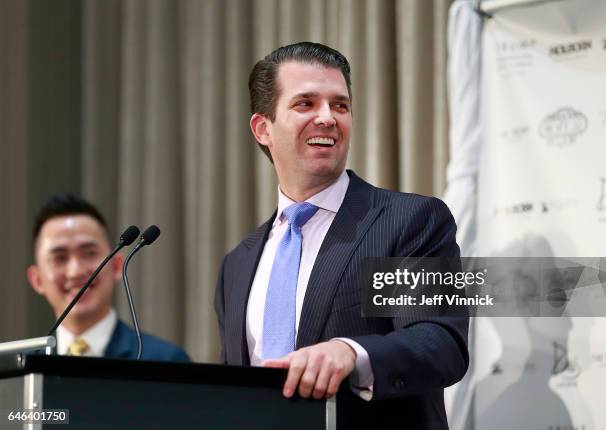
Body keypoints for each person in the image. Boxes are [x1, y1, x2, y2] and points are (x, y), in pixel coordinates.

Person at [214, 42, 468, 428]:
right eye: (306, 104)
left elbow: (440, 342)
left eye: (340, 105)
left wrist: (351, 352)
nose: (328, 118)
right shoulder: (237, 264)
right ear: (263, 128)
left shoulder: (409, 221)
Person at [27, 194, 190, 362]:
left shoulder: (165, 361)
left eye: (89, 253)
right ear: (37, 280)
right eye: (60, 258)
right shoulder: (18, 368)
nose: (75, 271)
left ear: (117, 265)